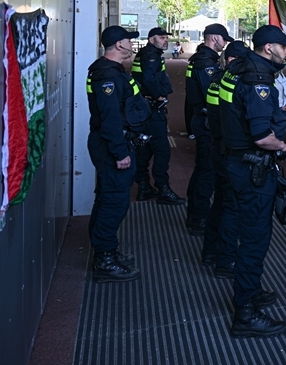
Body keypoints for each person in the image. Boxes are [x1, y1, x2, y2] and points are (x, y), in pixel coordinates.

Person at [218, 25, 286, 338]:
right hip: (253, 168)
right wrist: (283, 146)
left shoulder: (236, 69)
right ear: (268, 48)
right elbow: (262, 136)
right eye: (283, 47)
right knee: (254, 239)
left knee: (247, 233)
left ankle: (249, 290)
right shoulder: (258, 80)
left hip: (236, 162)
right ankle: (245, 312)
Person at [87, 26, 152, 282]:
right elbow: (110, 119)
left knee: (108, 198)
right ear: (118, 45)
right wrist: (120, 152)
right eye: (128, 40)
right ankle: (105, 260)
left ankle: (106, 250)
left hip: (114, 144)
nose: (131, 43)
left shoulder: (110, 71)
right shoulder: (107, 77)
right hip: (112, 146)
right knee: (114, 202)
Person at [202, 40, 247, 274]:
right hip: (228, 151)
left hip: (217, 147)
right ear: (231, 61)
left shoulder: (216, 80)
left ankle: (210, 251)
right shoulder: (233, 83)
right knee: (232, 206)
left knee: (219, 202)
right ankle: (226, 259)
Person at [185, 23, 233, 237]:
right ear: (214, 38)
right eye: (224, 39)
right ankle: (199, 217)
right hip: (206, 121)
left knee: (202, 169)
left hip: (201, 119)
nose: (224, 44)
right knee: (208, 171)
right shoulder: (206, 63)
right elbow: (210, 94)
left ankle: (194, 211)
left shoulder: (201, 59)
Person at [131, 26, 185, 205]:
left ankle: (144, 186)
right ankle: (163, 188)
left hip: (143, 108)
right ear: (151, 39)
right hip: (152, 109)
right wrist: (159, 96)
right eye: (161, 37)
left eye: (165, 37)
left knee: (145, 149)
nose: (165, 40)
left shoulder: (146, 53)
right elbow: (149, 79)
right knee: (162, 150)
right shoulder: (151, 56)